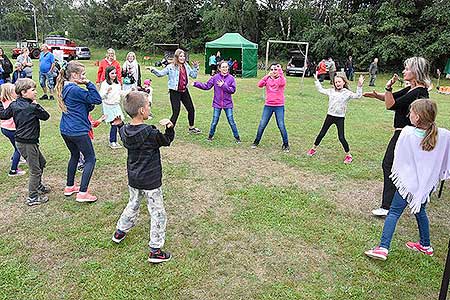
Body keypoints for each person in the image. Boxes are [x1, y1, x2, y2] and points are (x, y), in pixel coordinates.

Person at [365, 99, 450, 261]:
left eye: (411, 112)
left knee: (394, 212)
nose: (408, 114)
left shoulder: (407, 132)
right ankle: (425, 245)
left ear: (417, 117)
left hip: (408, 183)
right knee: (420, 211)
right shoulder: (444, 135)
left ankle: (383, 248)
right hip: (425, 185)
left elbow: (399, 158)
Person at [111, 91, 174, 264]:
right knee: (157, 212)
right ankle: (155, 250)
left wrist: (119, 125)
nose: (149, 107)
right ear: (141, 111)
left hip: (134, 178)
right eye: (148, 105)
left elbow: (124, 134)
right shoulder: (150, 132)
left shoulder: (125, 131)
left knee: (133, 203)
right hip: (151, 180)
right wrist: (169, 127)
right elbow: (166, 141)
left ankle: (120, 231)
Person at [364, 57, 430, 217]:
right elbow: (394, 97)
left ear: (415, 72)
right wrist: (377, 95)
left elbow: (391, 104)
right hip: (404, 134)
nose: (403, 72)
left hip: (405, 134)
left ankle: (387, 206)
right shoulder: (412, 89)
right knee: (402, 167)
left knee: (389, 164)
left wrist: (387, 87)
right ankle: (410, 198)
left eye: (407, 69)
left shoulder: (419, 92)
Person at [55, 61, 103, 203]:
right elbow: (96, 99)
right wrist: (88, 83)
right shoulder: (76, 89)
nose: (85, 76)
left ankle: (70, 186)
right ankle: (83, 193)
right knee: (90, 159)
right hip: (78, 130)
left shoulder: (65, 87)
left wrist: (88, 105)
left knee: (74, 155)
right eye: (83, 74)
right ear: (74, 75)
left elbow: (86, 105)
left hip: (66, 129)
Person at [0, 78, 50, 206]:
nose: (35, 92)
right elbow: (46, 116)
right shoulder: (32, 107)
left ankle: (38, 186)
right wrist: (36, 104)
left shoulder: (15, 104)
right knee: (35, 170)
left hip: (25, 141)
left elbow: (3, 114)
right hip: (26, 142)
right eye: (33, 90)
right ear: (23, 92)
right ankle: (32, 197)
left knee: (41, 163)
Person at [307, 74, 365, 164]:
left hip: (340, 118)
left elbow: (358, 96)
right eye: (335, 82)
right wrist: (316, 80)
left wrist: (359, 86)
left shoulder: (347, 93)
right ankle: (313, 149)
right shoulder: (331, 91)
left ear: (344, 82)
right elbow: (321, 90)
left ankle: (348, 155)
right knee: (322, 133)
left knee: (341, 137)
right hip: (330, 116)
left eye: (339, 82)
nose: (337, 83)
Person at [149, 49, 201, 133]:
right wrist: (153, 69)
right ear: (176, 57)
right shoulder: (171, 67)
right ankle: (169, 130)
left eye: (184, 56)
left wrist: (195, 67)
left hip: (184, 91)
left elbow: (194, 76)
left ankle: (191, 128)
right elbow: (160, 74)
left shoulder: (186, 66)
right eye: (181, 56)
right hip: (174, 92)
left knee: (191, 109)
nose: (183, 57)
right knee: (176, 111)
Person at [193, 60, 241, 143]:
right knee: (214, 122)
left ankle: (237, 138)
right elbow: (207, 86)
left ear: (228, 68)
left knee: (231, 121)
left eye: (226, 67)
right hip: (217, 104)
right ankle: (210, 137)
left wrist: (224, 85)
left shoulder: (231, 78)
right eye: (223, 67)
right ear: (219, 68)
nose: (225, 68)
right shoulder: (215, 77)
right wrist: (196, 83)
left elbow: (232, 90)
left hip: (228, 104)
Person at [251, 63, 289, 152]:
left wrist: (280, 71)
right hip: (268, 105)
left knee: (281, 125)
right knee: (262, 124)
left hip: (279, 106)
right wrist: (267, 76)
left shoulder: (281, 79)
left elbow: (283, 82)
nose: (273, 71)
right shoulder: (268, 79)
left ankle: (286, 144)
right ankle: (256, 141)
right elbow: (259, 85)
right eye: (271, 69)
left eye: (275, 69)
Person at [0, 83, 25, 177]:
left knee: (16, 146)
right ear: (10, 93)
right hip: (12, 129)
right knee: (19, 149)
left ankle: (15, 158)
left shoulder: (3, 101)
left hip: (4, 128)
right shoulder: (13, 104)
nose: (17, 93)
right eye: (15, 91)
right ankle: (13, 170)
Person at [100, 66, 125, 149]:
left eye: (115, 73)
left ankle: (125, 139)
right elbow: (101, 96)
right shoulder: (105, 84)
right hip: (108, 105)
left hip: (116, 105)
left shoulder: (117, 83)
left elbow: (120, 92)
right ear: (108, 74)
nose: (114, 75)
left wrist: (129, 91)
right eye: (112, 73)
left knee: (121, 123)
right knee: (114, 123)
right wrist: (107, 92)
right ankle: (112, 141)